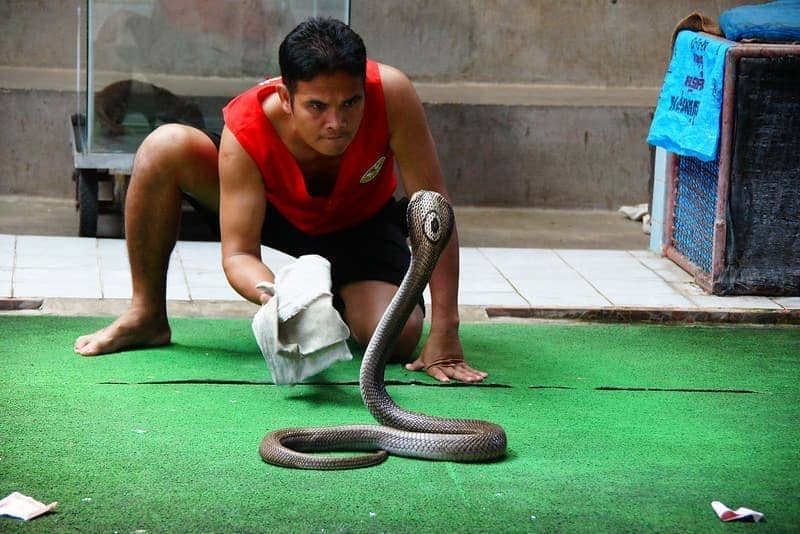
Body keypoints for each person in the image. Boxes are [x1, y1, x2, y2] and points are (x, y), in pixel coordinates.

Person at [74, 17, 487, 383]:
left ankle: (342, 303)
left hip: (362, 225)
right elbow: (238, 253)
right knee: (164, 147)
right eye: (317, 106)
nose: (336, 123)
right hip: (275, 210)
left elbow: (434, 209)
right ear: (286, 99)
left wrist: (446, 330)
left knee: (397, 338)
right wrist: (282, 296)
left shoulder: (393, 94)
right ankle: (146, 315)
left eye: (351, 103)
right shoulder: (248, 127)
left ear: (365, 89)